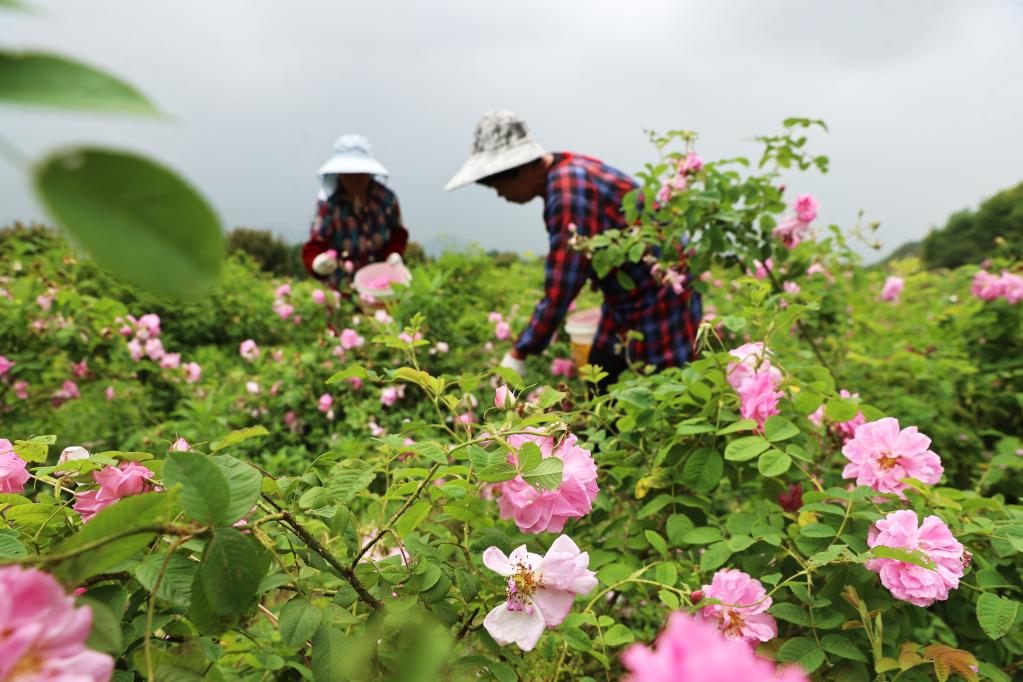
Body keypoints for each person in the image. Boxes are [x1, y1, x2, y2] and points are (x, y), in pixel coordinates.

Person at [445, 111, 701, 390]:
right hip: (624, 302)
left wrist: (520, 351)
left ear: (523, 168)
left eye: (499, 184)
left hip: (659, 298)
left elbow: (562, 286)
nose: (500, 194)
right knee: (602, 381)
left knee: (664, 391)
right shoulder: (566, 168)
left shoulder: (567, 192)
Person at [302, 134, 408, 288]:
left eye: (359, 173)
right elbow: (316, 244)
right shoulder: (330, 205)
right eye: (348, 174)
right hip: (343, 288)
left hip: (382, 286)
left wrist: (394, 253)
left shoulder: (386, 199)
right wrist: (317, 262)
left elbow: (398, 233)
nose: (354, 179)